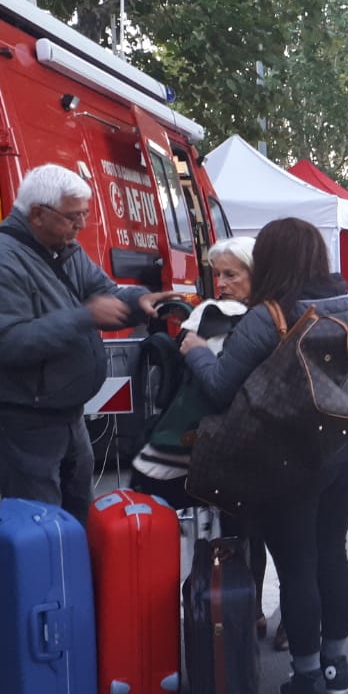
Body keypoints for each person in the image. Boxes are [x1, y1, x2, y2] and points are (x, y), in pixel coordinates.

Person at [181, 217, 348, 694]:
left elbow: (221, 385)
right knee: (333, 552)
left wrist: (197, 352)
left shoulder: (267, 315)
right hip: (345, 444)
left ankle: (306, 681)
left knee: (297, 566)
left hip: (293, 452)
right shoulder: (345, 302)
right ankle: (336, 666)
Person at [0, 164, 176, 522]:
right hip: (22, 421)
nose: (80, 228)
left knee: (77, 521)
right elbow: (9, 343)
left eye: (84, 217)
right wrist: (85, 317)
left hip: (66, 415)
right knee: (41, 527)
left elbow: (105, 292)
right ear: (37, 214)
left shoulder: (63, 248)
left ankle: (73, 578)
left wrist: (140, 301)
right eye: (72, 218)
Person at [127, 235, 274, 643]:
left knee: (232, 532)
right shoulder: (269, 316)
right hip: (248, 445)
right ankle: (249, 611)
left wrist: (194, 351)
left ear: (255, 274)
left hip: (219, 444)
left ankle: (228, 613)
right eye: (218, 274)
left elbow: (211, 384)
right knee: (244, 532)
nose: (222, 282)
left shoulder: (213, 318)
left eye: (233, 274)